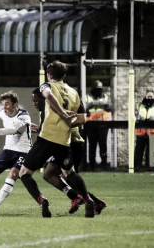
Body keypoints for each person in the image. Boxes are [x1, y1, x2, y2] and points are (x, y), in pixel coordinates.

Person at [19, 60, 95, 218]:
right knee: (69, 172)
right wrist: (68, 121)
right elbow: (82, 120)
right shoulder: (73, 93)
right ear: (64, 75)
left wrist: (61, 113)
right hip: (64, 141)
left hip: (47, 137)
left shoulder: (46, 86)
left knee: (24, 173)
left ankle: (41, 200)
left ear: (49, 74)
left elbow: (47, 95)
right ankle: (87, 200)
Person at [31, 87, 106, 215]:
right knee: (51, 174)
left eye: (36, 101)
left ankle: (84, 199)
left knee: (66, 174)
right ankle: (86, 199)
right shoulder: (70, 97)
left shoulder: (52, 108)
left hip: (69, 144)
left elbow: (57, 128)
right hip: (70, 144)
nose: (34, 103)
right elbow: (79, 120)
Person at [85, 80, 112, 171]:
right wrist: (93, 103)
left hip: (103, 124)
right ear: (93, 88)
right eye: (97, 88)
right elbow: (83, 107)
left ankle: (104, 164)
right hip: (91, 124)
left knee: (103, 146)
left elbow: (110, 106)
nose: (99, 90)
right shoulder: (87, 97)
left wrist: (105, 104)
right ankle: (92, 165)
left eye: (101, 88)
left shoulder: (106, 97)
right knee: (92, 146)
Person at [134, 89, 154, 170]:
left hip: (153, 133)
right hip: (141, 132)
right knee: (138, 152)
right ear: (145, 96)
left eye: (151, 96)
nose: (149, 97)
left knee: (151, 152)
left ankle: (150, 168)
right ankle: (137, 167)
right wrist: (140, 118)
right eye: (148, 96)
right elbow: (135, 114)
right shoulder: (139, 106)